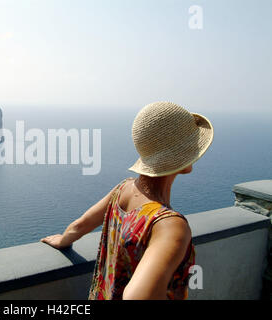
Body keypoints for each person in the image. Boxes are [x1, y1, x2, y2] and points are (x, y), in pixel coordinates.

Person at [41, 101, 214, 300]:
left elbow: (79, 226)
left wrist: (63, 240)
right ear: (184, 156)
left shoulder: (123, 189)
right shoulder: (170, 225)